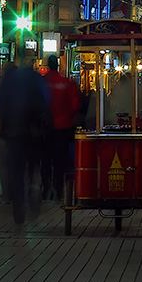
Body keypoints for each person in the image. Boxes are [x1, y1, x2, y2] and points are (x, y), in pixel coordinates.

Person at [0, 62, 51, 226]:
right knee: (33, 169)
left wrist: (2, 132)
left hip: (13, 136)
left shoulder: (8, 85)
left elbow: (0, 109)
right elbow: (44, 107)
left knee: (17, 173)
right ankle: (33, 193)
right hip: (33, 135)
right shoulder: (35, 84)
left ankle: (19, 208)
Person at [42, 55, 82, 202]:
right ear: (57, 65)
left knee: (45, 161)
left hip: (44, 129)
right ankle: (58, 191)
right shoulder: (66, 84)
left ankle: (45, 189)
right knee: (60, 162)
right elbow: (76, 105)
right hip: (63, 128)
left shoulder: (42, 83)